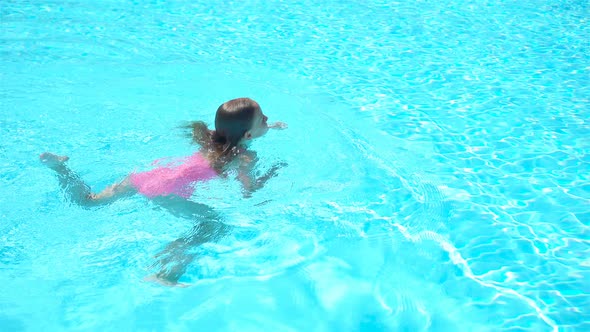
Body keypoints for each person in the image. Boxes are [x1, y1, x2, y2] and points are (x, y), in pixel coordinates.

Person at [40, 97, 287, 286]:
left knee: (89, 202)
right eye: (264, 119)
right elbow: (249, 191)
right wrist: (272, 172)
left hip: (147, 176)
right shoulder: (245, 156)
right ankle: (163, 274)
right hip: (168, 191)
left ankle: (60, 167)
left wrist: (270, 126)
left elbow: (245, 131)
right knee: (214, 225)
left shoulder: (214, 137)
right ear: (247, 135)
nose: (268, 119)